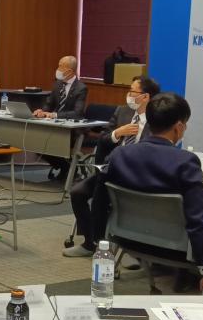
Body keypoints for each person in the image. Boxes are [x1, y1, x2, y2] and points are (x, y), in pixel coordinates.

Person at [96, 92, 203, 296]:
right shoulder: (185, 162)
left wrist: (99, 242)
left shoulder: (120, 154)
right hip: (177, 247)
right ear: (179, 126)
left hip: (128, 239)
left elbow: (100, 200)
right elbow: (196, 219)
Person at [63, 76, 159, 257]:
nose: (129, 95)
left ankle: (129, 250)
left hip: (137, 175)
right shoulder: (123, 111)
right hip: (111, 169)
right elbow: (103, 139)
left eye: (133, 91)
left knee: (104, 196)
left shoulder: (156, 119)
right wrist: (117, 133)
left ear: (145, 97)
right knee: (78, 193)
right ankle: (90, 242)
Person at [33, 55, 88, 179]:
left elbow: (78, 113)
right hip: (54, 126)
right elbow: (49, 104)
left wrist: (55, 115)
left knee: (52, 143)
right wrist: (42, 111)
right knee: (36, 142)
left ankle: (67, 169)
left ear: (69, 71)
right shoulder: (57, 85)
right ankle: (65, 167)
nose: (57, 69)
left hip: (72, 129)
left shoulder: (81, 88)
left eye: (60, 67)